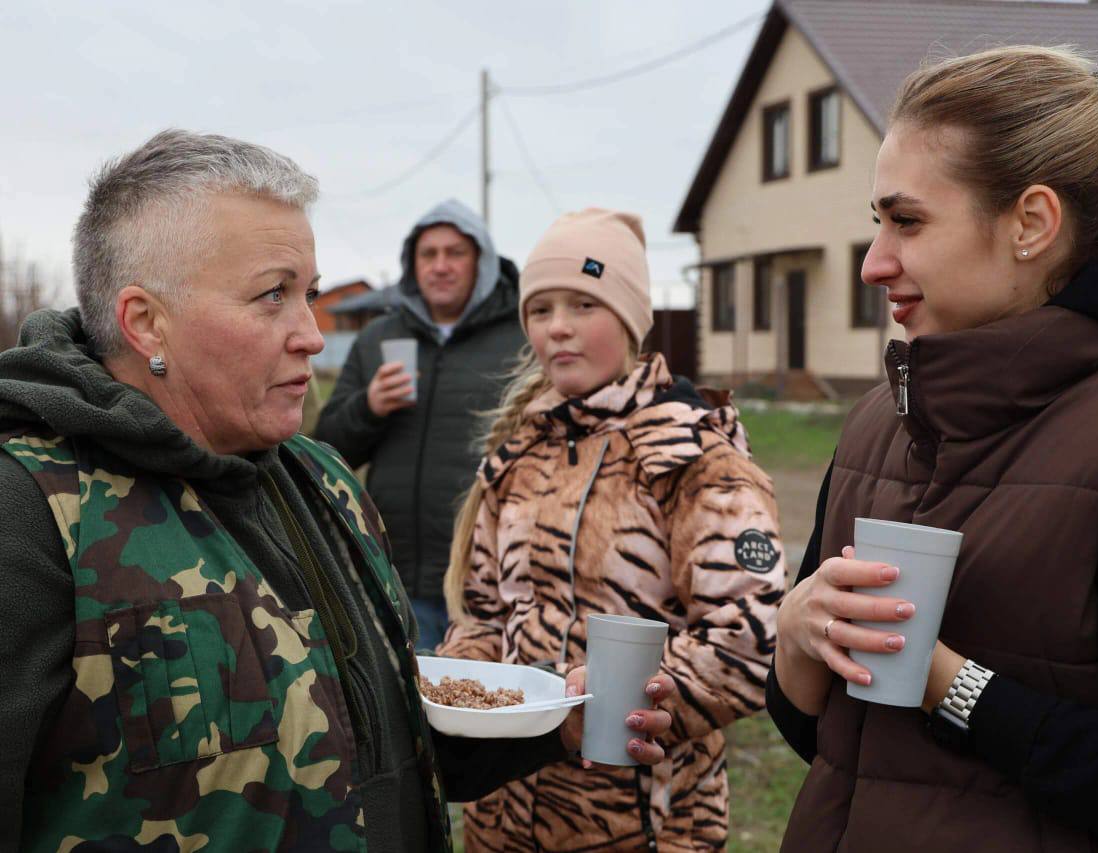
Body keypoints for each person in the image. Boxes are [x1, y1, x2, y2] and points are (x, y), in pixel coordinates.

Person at [0, 130, 677, 852]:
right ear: (145, 322)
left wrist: (547, 724)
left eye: (311, 294)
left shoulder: (325, 480)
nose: (313, 335)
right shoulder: (31, 511)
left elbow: (378, 740)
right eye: (273, 295)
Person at [767, 47, 1098, 852]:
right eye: (878, 223)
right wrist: (798, 641)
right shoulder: (879, 420)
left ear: (1031, 223)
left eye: (908, 221)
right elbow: (838, 750)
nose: (874, 263)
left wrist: (949, 684)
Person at [437, 208, 787, 851]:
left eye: (583, 304)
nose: (558, 327)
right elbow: (484, 614)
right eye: (540, 310)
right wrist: (465, 688)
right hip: (500, 820)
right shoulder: (519, 455)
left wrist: (618, 700)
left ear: (629, 318)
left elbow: (750, 639)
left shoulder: (692, 457)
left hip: (640, 824)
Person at [315, 199, 524, 650]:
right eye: (428, 254)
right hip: (393, 572)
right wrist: (370, 406)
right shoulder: (379, 337)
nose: (440, 266)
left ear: (482, 263)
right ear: (412, 265)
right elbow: (327, 448)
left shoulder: (520, 338)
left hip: (488, 579)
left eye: (455, 253)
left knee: (480, 691)